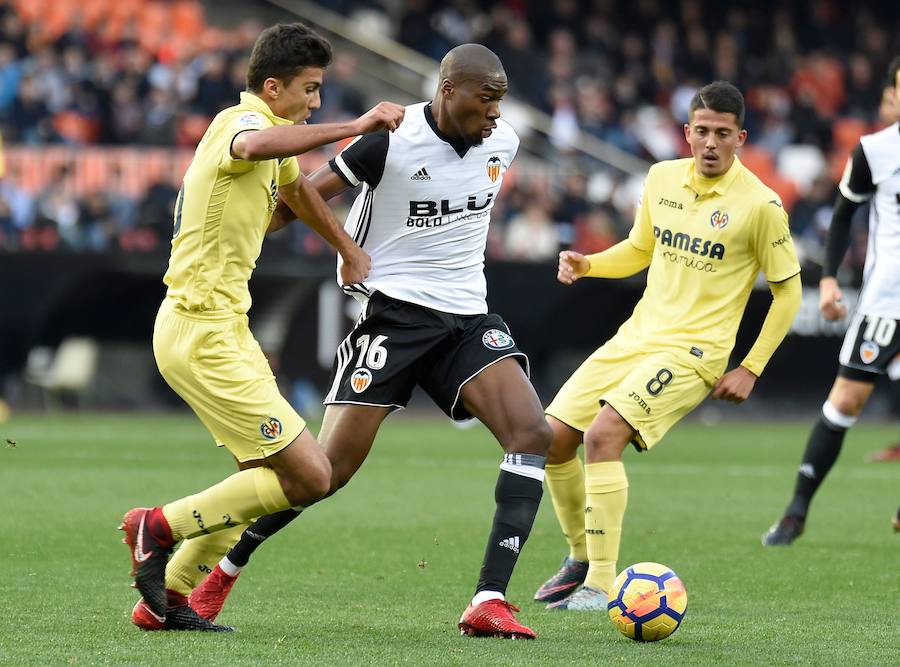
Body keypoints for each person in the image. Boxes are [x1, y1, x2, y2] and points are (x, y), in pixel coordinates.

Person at [186, 43, 552, 640]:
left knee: (532, 434)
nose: (494, 113)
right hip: (394, 318)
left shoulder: (502, 143)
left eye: (500, 102)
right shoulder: (389, 140)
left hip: (467, 316)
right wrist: (260, 222)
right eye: (485, 99)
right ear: (448, 89)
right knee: (324, 473)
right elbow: (294, 202)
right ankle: (222, 574)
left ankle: (489, 599)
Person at [120, 22, 405, 631]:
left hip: (219, 328)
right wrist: (355, 128)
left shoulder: (271, 140)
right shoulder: (238, 125)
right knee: (310, 475)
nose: (316, 103)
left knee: (264, 476)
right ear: (272, 88)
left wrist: (348, 250)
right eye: (310, 89)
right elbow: (254, 150)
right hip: (202, 329)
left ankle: (164, 599)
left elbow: (297, 190)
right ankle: (158, 526)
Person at [532, 80, 803, 610]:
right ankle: (580, 556)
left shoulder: (761, 205)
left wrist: (750, 367)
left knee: (602, 436)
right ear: (686, 132)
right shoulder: (660, 178)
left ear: (740, 137)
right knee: (552, 439)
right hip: (637, 337)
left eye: (722, 134)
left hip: (694, 353)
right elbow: (639, 249)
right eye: (701, 131)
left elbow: (788, 292)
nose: (710, 143)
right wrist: (591, 264)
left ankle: (600, 586)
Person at [762, 56, 900, 546]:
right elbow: (844, 217)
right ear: (894, 93)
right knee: (845, 400)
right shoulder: (876, 151)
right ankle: (796, 511)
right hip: (887, 302)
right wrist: (828, 281)